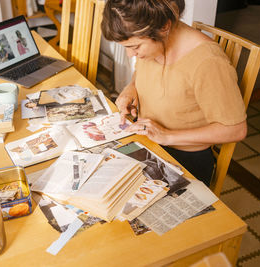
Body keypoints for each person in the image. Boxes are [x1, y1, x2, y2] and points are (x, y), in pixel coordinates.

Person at [101, 0, 247, 186]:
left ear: (164, 27)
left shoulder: (208, 62)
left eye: (135, 47)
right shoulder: (158, 40)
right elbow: (141, 71)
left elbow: (236, 129)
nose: (131, 55)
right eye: (126, 48)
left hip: (185, 159)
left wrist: (167, 136)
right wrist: (132, 87)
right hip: (149, 142)